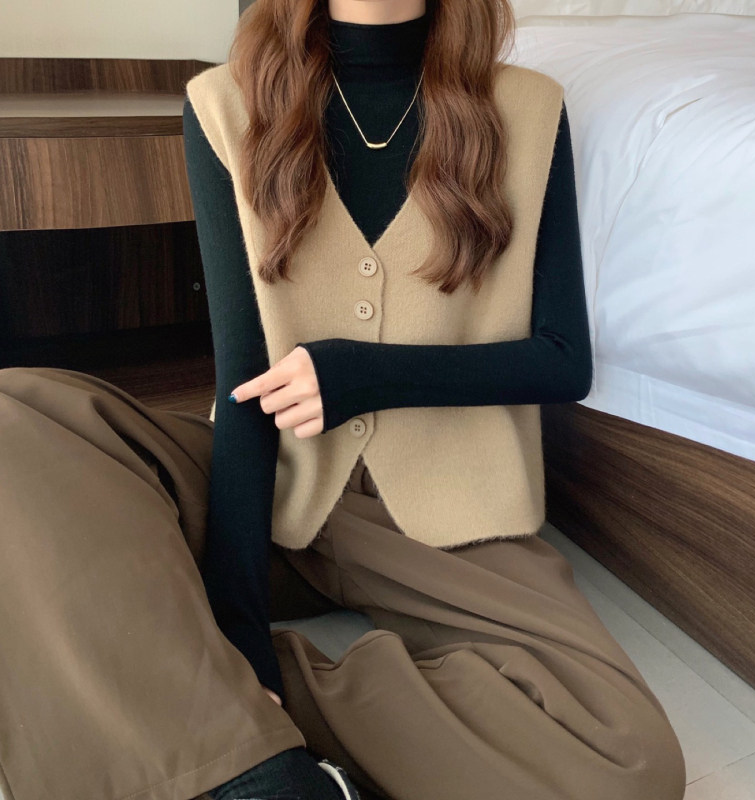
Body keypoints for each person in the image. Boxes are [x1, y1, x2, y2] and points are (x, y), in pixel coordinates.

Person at [0, 1, 687, 799]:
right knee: (18, 420)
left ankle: (209, 710)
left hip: (450, 514)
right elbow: (244, 378)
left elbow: (563, 363)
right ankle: (265, 774)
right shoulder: (224, 105)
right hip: (268, 492)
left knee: (631, 763)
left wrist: (361, 373)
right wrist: (243, 629)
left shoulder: (529, 110)